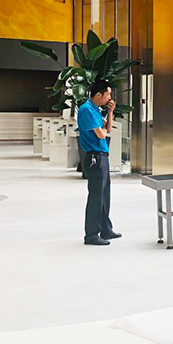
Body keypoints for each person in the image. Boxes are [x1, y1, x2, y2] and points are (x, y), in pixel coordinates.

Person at [77, 80, 120, 246]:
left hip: (102, 156)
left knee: (104, 195)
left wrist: (110, 112)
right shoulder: (86, 109)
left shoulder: (96, 109)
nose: (109, 98)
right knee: (96, 196)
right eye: (108, 94)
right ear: (98, 94)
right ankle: (91, 234)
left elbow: (107, 130)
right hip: (95, 157)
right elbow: (101, 135)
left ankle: (106, 229)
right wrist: (101, 130)